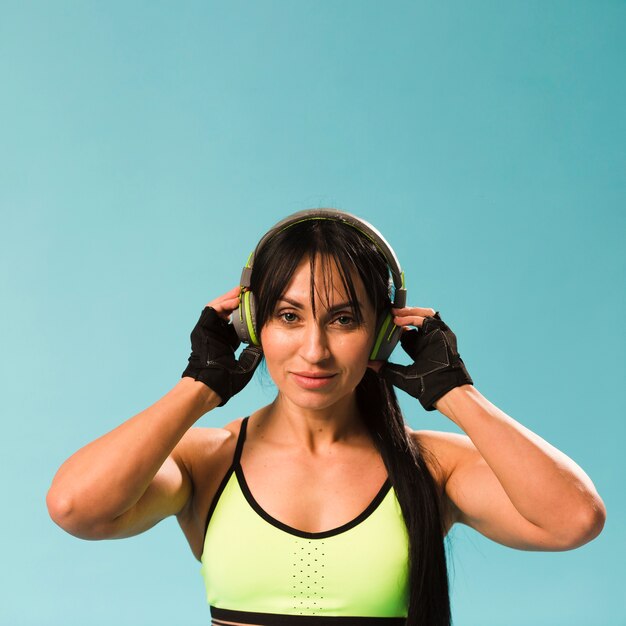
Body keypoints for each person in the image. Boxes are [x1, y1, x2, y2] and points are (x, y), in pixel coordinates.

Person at [46, 209, 606, 626]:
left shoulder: (433, 468)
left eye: (342, 320)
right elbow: (76, 507)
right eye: (289, 317)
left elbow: (573, 520)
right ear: (252, 324)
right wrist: (197, 387)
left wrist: (455, 392)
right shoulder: (209, 461)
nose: (314, 350)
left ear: (383, 332)